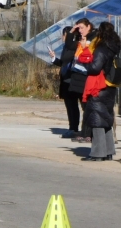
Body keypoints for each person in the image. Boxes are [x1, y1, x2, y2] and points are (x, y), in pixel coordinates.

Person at [77, 21, 121, 161]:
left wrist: (85, 65)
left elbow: (95, 68)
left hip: (99, 86)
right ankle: (108, 151)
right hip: (111, 86)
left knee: (96, 119)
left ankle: (97, 153)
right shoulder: (114, 47)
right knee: (107, 119)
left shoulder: (101, 48)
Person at [49, 26, 82, 138]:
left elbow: (70, 63)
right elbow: (64, 63)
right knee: (69, 105)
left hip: (72, 80)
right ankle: (72, 127)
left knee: (73, 106)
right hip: (65, 79)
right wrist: (54, 59)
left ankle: (74, 128)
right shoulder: (66, 48)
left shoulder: (74, 47)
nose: (62, 37)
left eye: (64, 35)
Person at [68, 18, 97, 143]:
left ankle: (89, 134)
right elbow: (69, 45)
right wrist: (72, 31)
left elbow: (91, 57)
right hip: (78, 77)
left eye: (82, 28)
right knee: (84, 106)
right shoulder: (80, 40)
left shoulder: (93, 39)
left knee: (88, 107)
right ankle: (85, 132)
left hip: (86, 76)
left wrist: (86, 47)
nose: (80, 31)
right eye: (78, 28)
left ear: (89, 26)